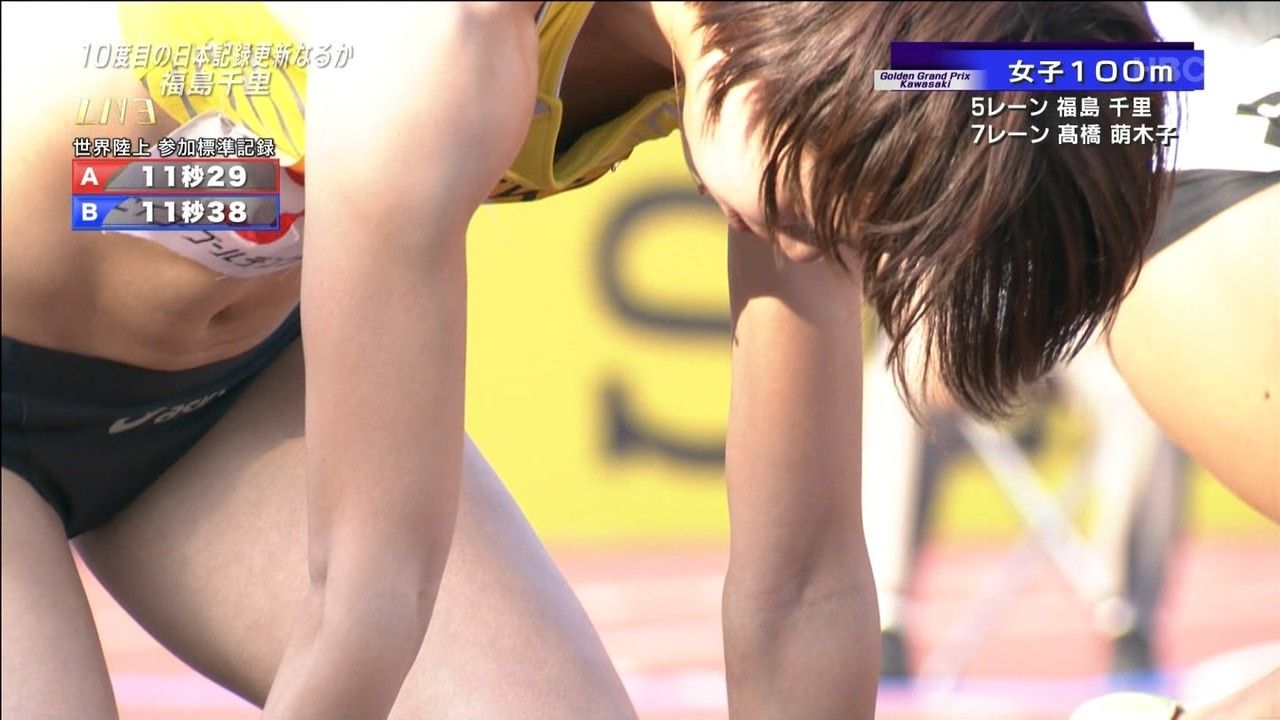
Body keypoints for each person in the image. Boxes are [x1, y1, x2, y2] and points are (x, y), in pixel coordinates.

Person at [0, 2, 1171, 719]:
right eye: (843, 209)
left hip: (222, 407)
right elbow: (362, 594)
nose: (828, 247)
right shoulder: (441, 38)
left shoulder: (808, 82)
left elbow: (802, 583)